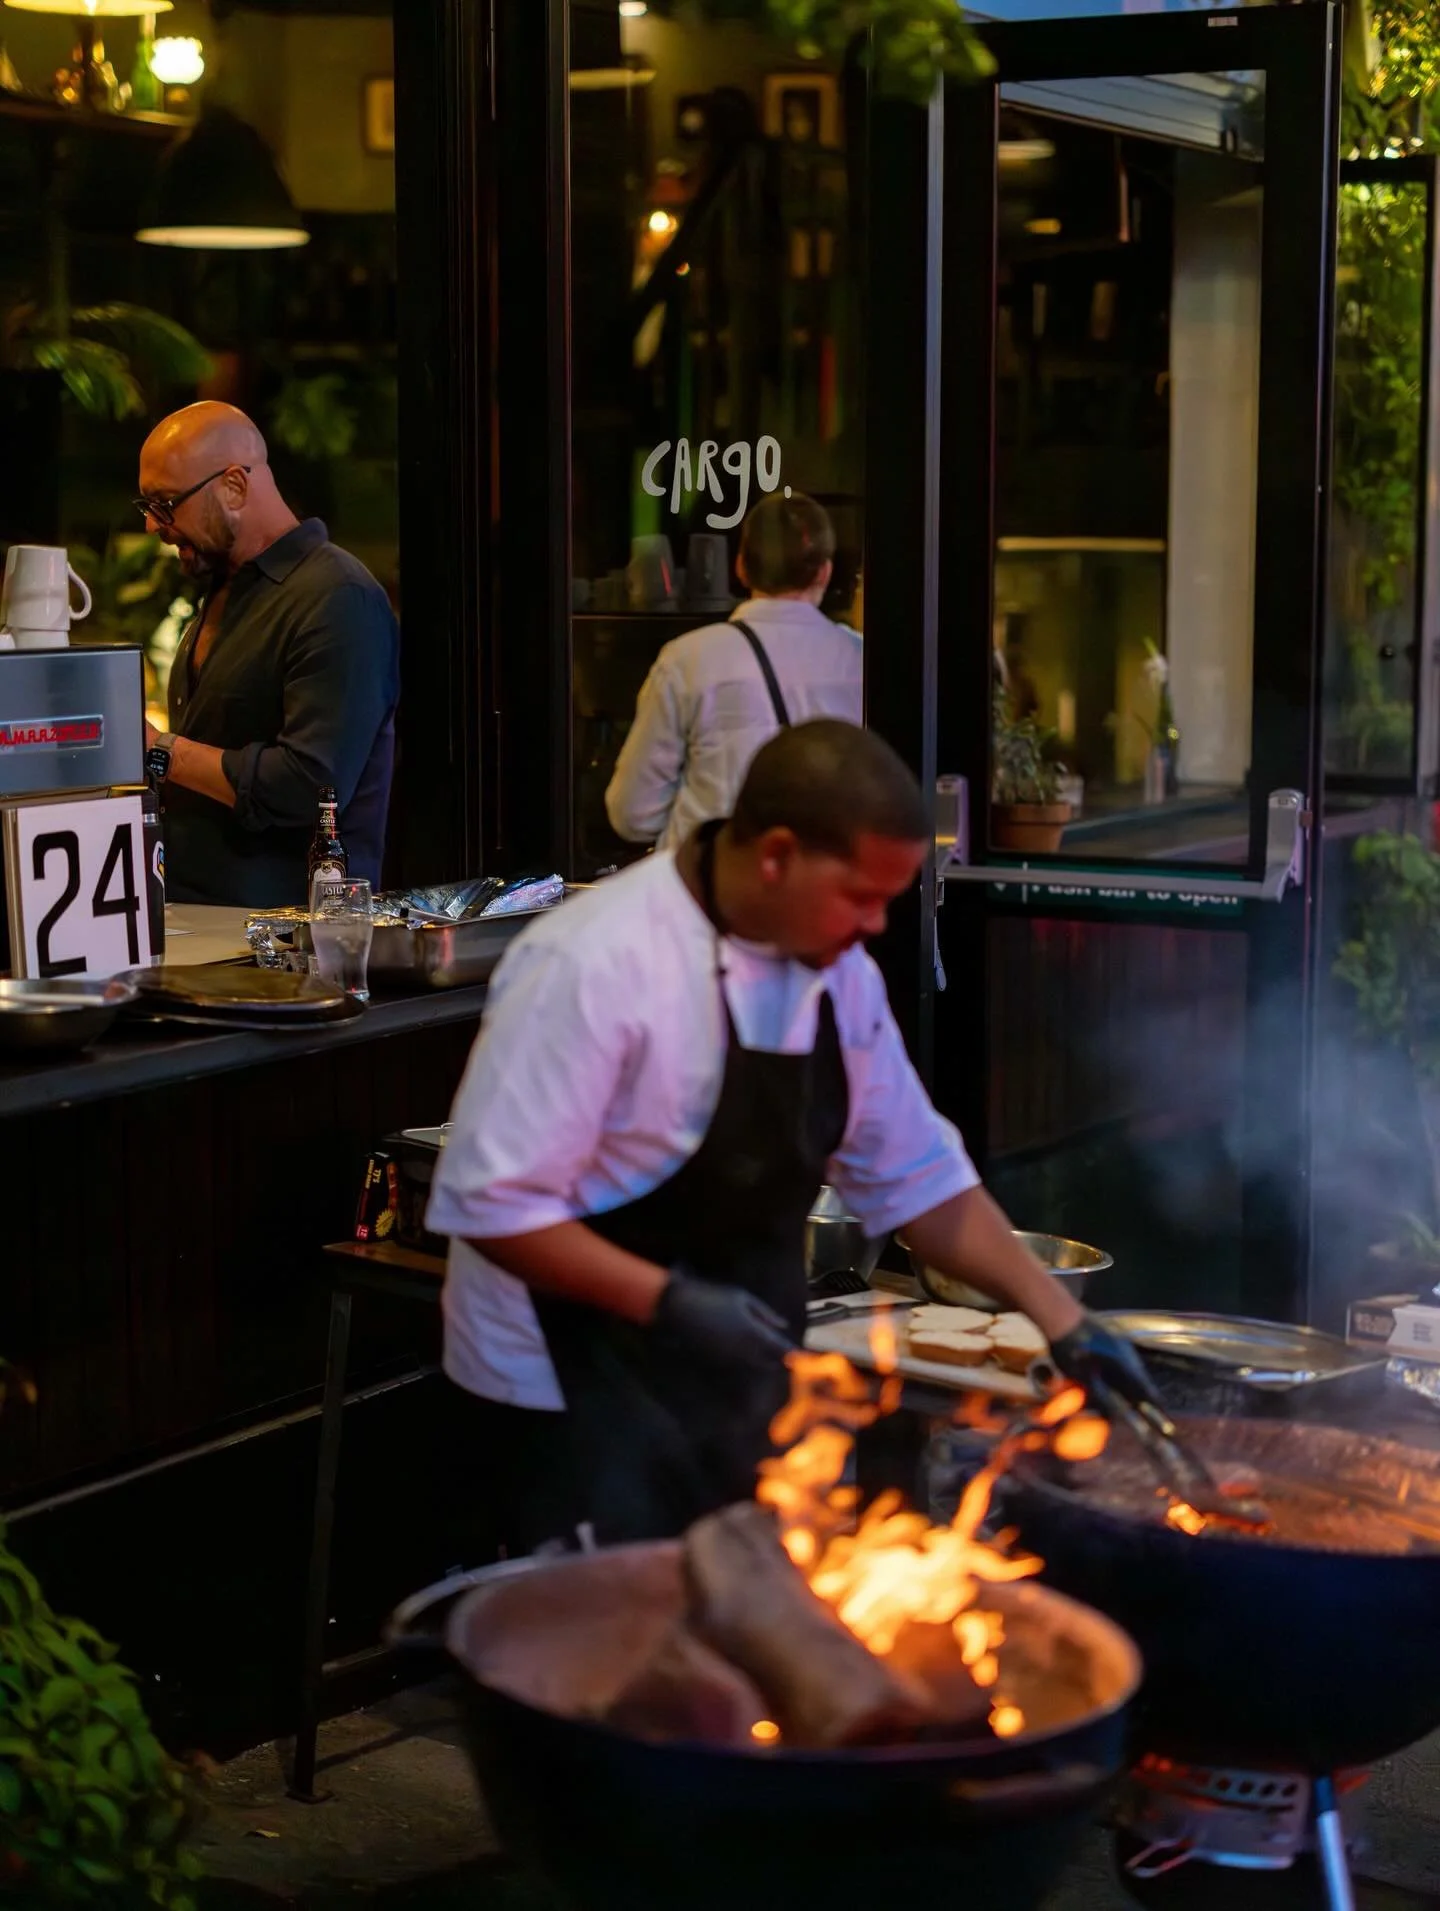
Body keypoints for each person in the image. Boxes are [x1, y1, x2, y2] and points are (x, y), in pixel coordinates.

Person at [428, 719, 1154, 1551]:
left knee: (737, 1640)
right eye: (862, 896)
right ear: (775, 855)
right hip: (567, 1385)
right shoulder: (595, 963)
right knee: (595, 1657)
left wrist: (1064, 1321)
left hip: (732, 1377)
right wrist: (670, 1302)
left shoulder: (837, 973)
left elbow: (919, 1177)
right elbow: (491, 1207)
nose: (878, 925)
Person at [136, 402, 400, 905]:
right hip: (203, 927)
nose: (153, 526)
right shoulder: (226, 588)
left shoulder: (338, 597)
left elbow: (312, 784)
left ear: (234, 486)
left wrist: (159, 751)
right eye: (147, 507)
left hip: (288, 947)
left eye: (165, 504)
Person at [604, 490, 862, 853]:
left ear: (740, 566)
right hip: (814, 886)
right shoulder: (858, 658)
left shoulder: (687, 659)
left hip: (709, 889)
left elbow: (632, 814)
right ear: (824, 571)